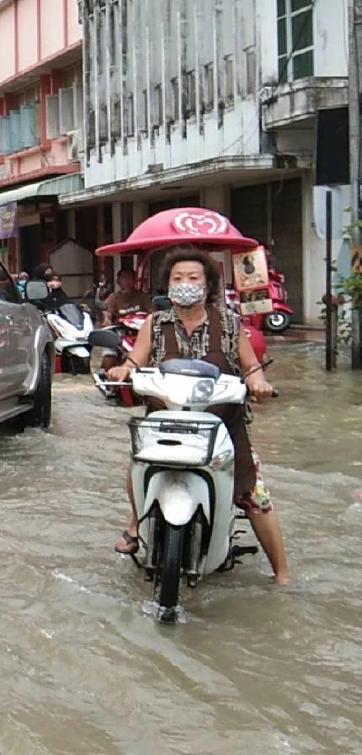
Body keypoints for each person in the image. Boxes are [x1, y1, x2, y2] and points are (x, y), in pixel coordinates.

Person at [106, 247, 291, 585]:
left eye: (193, 278)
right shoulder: (155, 323)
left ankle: (282, 573)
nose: (185, 284)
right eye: (177, 279)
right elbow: (135, 361)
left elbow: (250, 366)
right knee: (135, 466)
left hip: (222, 425)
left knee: (254, 494)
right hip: (166, 421)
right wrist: (122, 369)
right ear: (167, 286)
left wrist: (258, 380)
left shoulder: (230, 323)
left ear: (208, 287)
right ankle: (135, 524)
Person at [99, 267, 155, 371]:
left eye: (130, 278)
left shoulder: (142, 296)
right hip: (121, 333)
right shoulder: (113, 297)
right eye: (124, 278)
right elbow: (107, 312)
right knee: (108, 356)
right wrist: (107, 320)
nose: (128, 281)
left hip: (140, 333)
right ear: (118, 281)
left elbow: (151, 311)